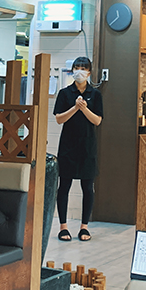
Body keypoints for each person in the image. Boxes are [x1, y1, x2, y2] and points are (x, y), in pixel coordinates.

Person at [54, 56, 103, 242]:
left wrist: (84, 109)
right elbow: (59, 119)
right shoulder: (65, 93)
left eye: (83, 68)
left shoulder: (95, 94)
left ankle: (84, 227)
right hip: (68, 145)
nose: (79, 71)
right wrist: (75, 108)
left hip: (88, 146)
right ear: (72, 70)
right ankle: (63, 227)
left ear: (89, 72)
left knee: (87, 187)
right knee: (64, 186)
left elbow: (97, 120)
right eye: (77, 68)